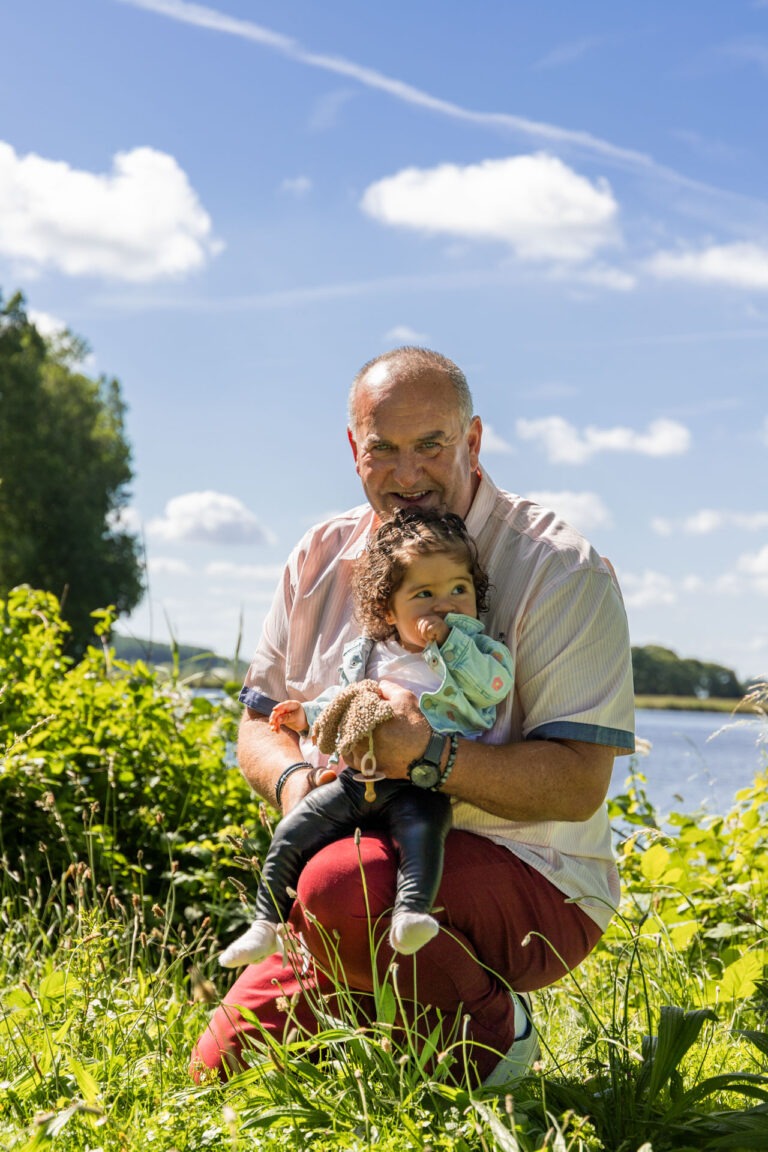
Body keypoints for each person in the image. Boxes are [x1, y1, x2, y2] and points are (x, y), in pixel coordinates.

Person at [192, 346, 635, 1086]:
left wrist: (424, 754)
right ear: (352, 450)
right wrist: (306, 792)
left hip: (534, 872)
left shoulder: (561, 567)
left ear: (473, 440)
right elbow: (259, 724)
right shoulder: (317, 557)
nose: (407, 475)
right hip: (351, 863)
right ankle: (384, 1003)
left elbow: (576, 785)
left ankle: (497, 1040)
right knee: (217, 1075)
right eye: (383, 450)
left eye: (430, 445)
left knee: (337, 883)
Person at [218, 508, 514, 966]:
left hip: (420, 782)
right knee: (294, 829)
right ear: (388, 611)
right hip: (356, 780)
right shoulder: (369, 654)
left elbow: (491, 687)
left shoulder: (475, 650)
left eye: (460, 589)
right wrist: (306, 715)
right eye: (424, 594)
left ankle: (410, 915)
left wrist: (449, 642)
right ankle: (265, 923)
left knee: (424, 833)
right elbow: (347, 701)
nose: (445, 605)